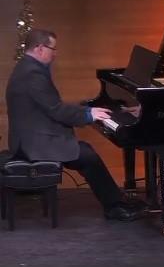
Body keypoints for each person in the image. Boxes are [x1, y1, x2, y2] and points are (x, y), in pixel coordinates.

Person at [5, 28, 145, 221]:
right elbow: (56, 110)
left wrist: (86, 111)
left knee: (85, 152)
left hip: (31, 136)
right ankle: (115, 208)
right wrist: (89, 113)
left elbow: (51, 107)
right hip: (33, 143)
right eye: (52, 49)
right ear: (39, 48)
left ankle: (117, 202)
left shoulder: (27, 67)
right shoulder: (32, 74)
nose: (55, 53)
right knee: (87, 155)